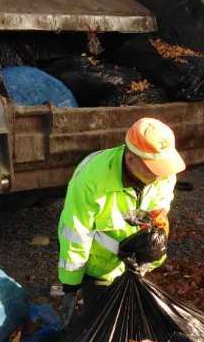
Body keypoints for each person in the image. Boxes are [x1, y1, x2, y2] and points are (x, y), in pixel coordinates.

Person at [56, 117, 185, 324]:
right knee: (101, 324)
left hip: (135, 265)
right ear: (131, 159)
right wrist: (71, 286)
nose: (161, 175)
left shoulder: (164, 174)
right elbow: (76, 232)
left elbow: (160, 210)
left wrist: (155, 239)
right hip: (99, 265)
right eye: (154, 168)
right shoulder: (92, 178)